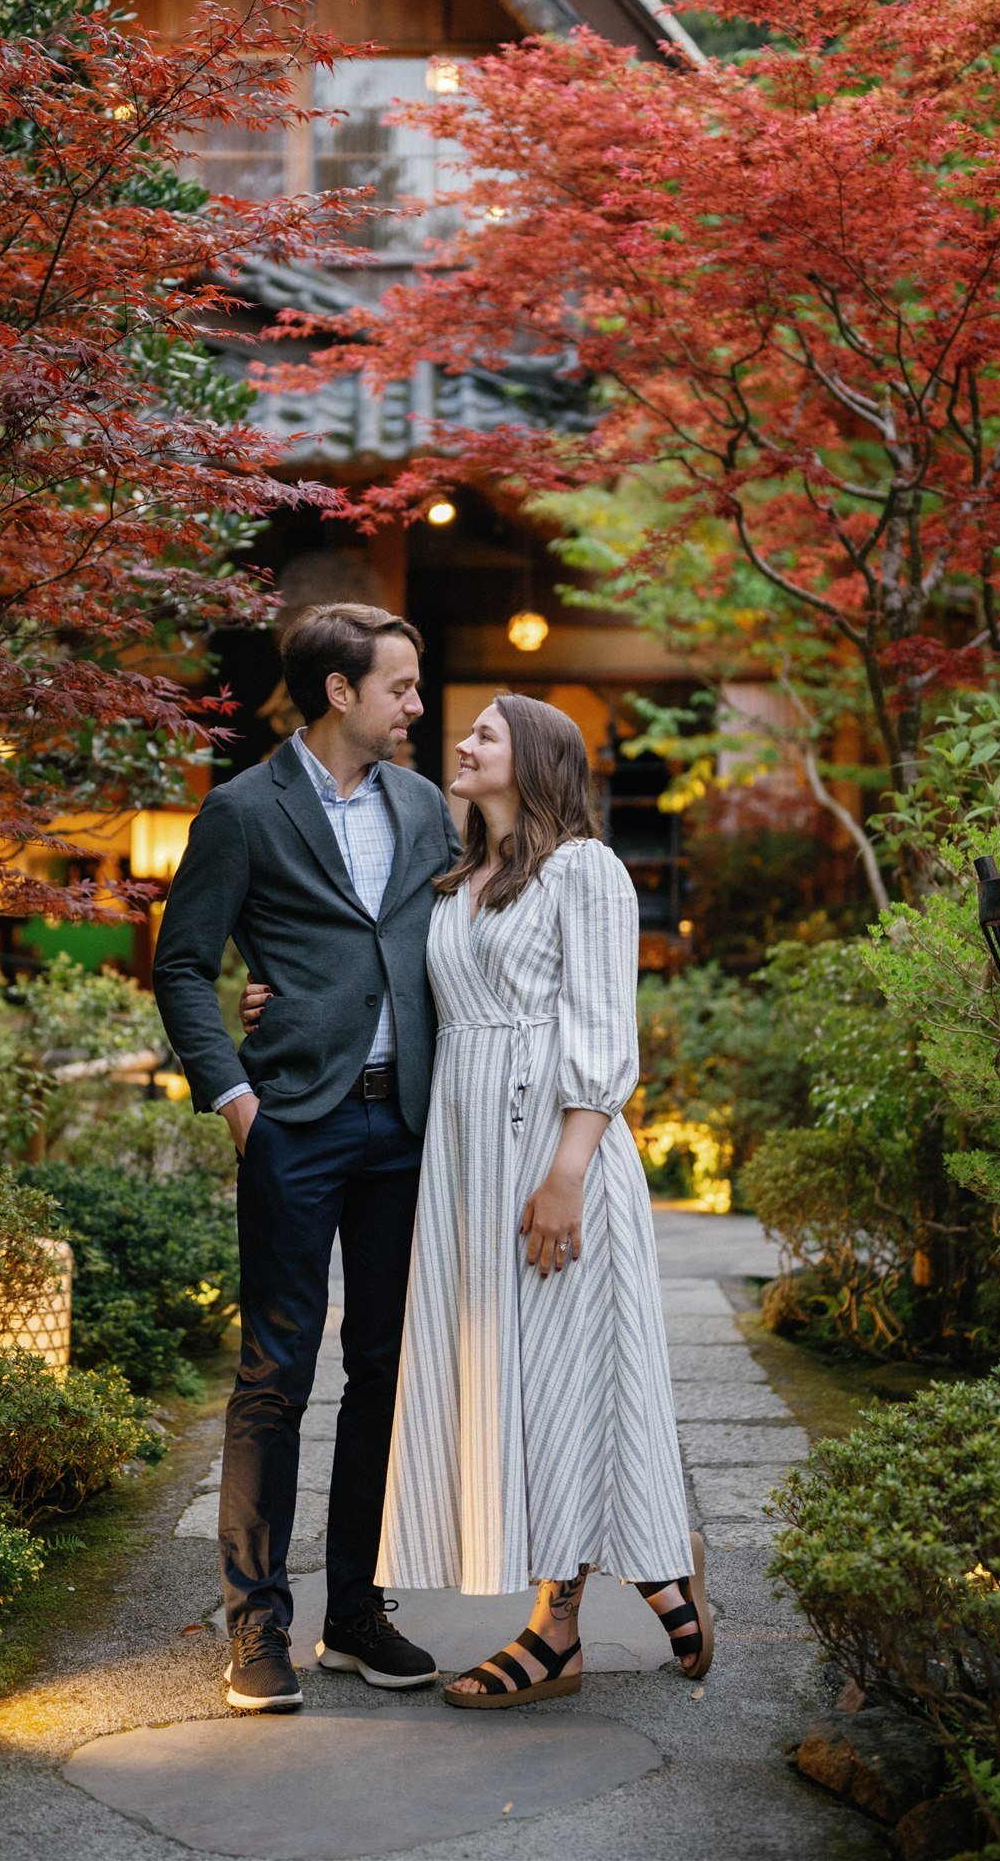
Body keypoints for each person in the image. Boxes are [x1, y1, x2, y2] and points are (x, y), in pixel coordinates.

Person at [241, 692, 714, 1706]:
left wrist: (567, 1173)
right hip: (464, 1167)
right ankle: (654, 1568)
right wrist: (279, 999)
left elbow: (604, 1028)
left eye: (485, 734)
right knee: (515, 1383)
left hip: (553, 1158)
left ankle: (556, 1632)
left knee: (561, 1383)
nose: (460, 741)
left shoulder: (584, 870)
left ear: (533, 758)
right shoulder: (453, 881)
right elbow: (383, 981)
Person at [152, 601, 461, 1714]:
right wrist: (237, 1100)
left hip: (404, 1127)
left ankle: (358, 1612)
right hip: (294, 1121)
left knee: (383, 1369)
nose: (416, 705)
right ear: (340, 692)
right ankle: (256, 1628)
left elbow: (452, 938)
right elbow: (181, 964)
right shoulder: (241, 809)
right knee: (275, 1375)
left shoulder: (424, 806)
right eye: (400, 687)